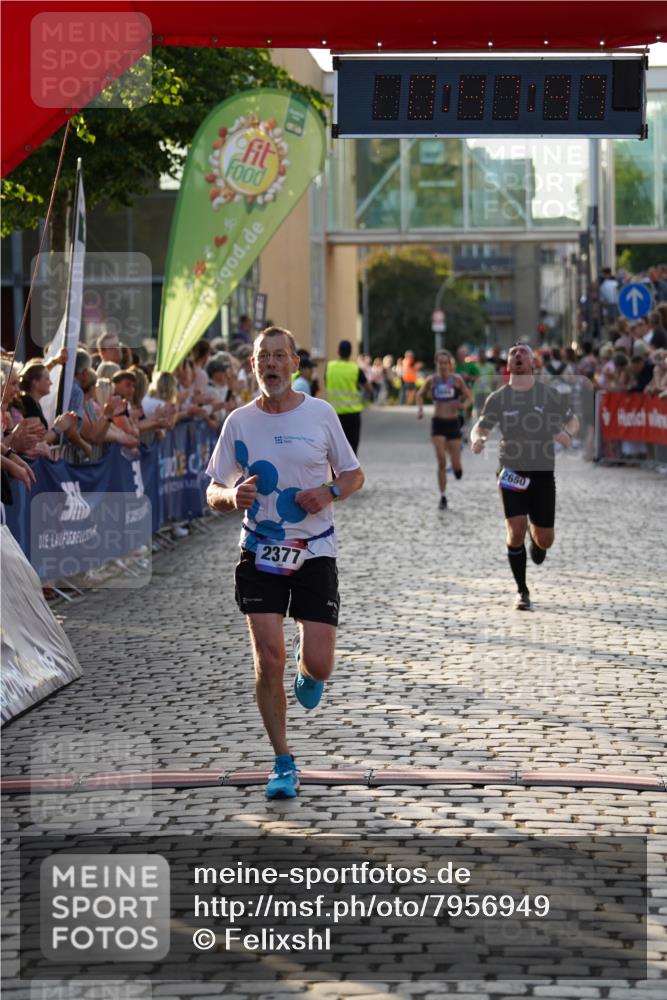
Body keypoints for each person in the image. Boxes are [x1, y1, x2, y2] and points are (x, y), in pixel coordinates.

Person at [206, 326, 364, 800]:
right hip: (259, 550)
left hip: (315, 548)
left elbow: (354, 475)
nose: (271, 364)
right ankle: (282, 760)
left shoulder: (320, 414)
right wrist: (231, 496)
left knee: (320, 665)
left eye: (280, 356)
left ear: (295, 364)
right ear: (253, 365)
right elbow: (213, 489)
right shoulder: (239, 422)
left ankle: (307, 667)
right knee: (267, 658)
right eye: (263, 357)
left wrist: (329, 491)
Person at [470, 342, 579, 612]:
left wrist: (567, 434)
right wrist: (478, 439)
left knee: (545, 540)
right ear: (508, 365)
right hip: (511, 470)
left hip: (542, 471)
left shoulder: (548, 394)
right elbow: (480, 427)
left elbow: (572, 420)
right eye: (513, 353)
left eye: (523, 353)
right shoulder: (498, 398)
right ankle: (522, 591)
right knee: (515, 529)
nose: (517, 355)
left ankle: (536, 535)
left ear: (532, 363)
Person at [416, 350, 473, 509]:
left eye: (445, 362)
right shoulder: (432, 380)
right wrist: (420, 409)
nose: (442, 365)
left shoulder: (457, 380)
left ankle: (457, 468)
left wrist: (463, 406)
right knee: (441, 460)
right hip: (438, 423)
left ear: (450, 364)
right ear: (436, 364)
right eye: (440, 362)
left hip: (453, 423)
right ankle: (443, 496)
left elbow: (470, 397)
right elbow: (419, 395)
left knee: (456, 464)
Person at [324, 339, 368, 454]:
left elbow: (326, 383)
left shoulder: (329, 367)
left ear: (338, 351)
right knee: (352, 450)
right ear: (350, 352)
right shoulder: (356, 369)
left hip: (334, 414)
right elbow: (369, 388)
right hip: (353, 415)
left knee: (335, 450)